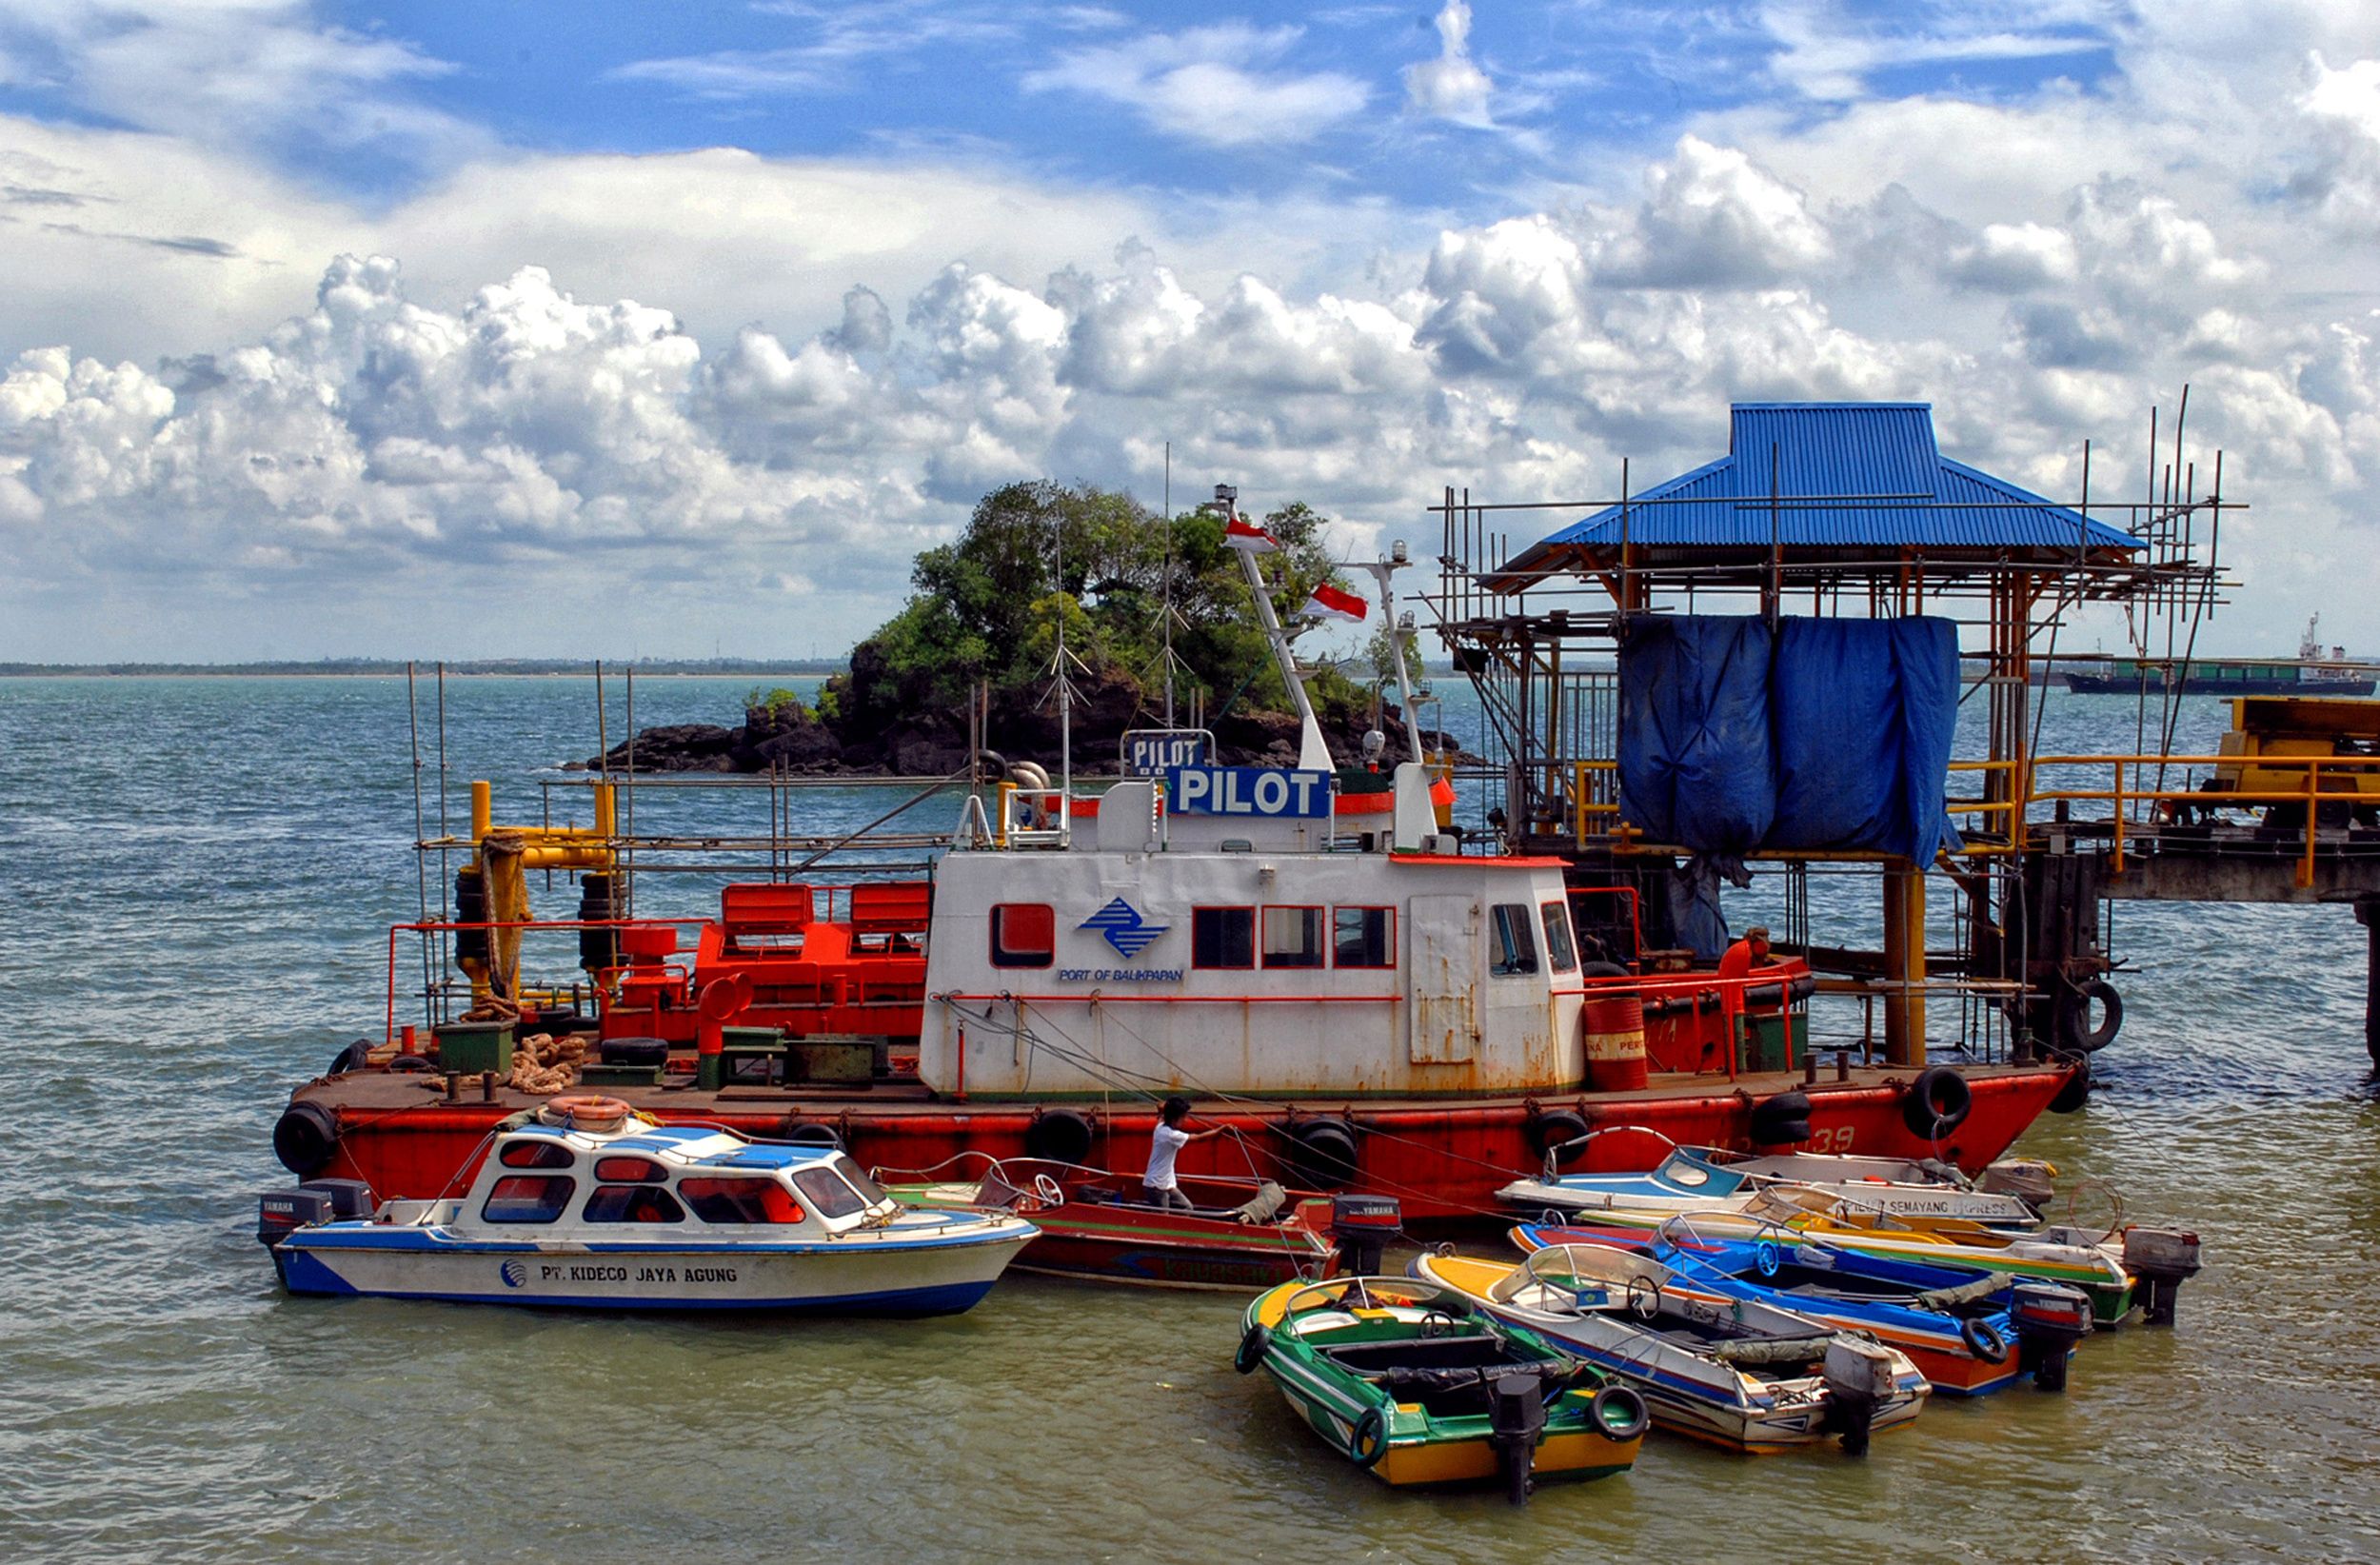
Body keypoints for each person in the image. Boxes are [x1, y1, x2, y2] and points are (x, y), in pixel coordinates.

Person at [1142, 1096, 1221, 1211]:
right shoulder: (1171, 1135)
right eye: (1183, 1117)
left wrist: (1162, 1109)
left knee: (1186, 1207)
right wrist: (1220, 1130)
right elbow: (1198, 1138)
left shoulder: (1160, 1127)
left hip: (1165, 1183)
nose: (1185, 1120)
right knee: (1163, 1218)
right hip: (1157, 1186)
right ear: (1174, 1119)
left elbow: (1161, 1115)